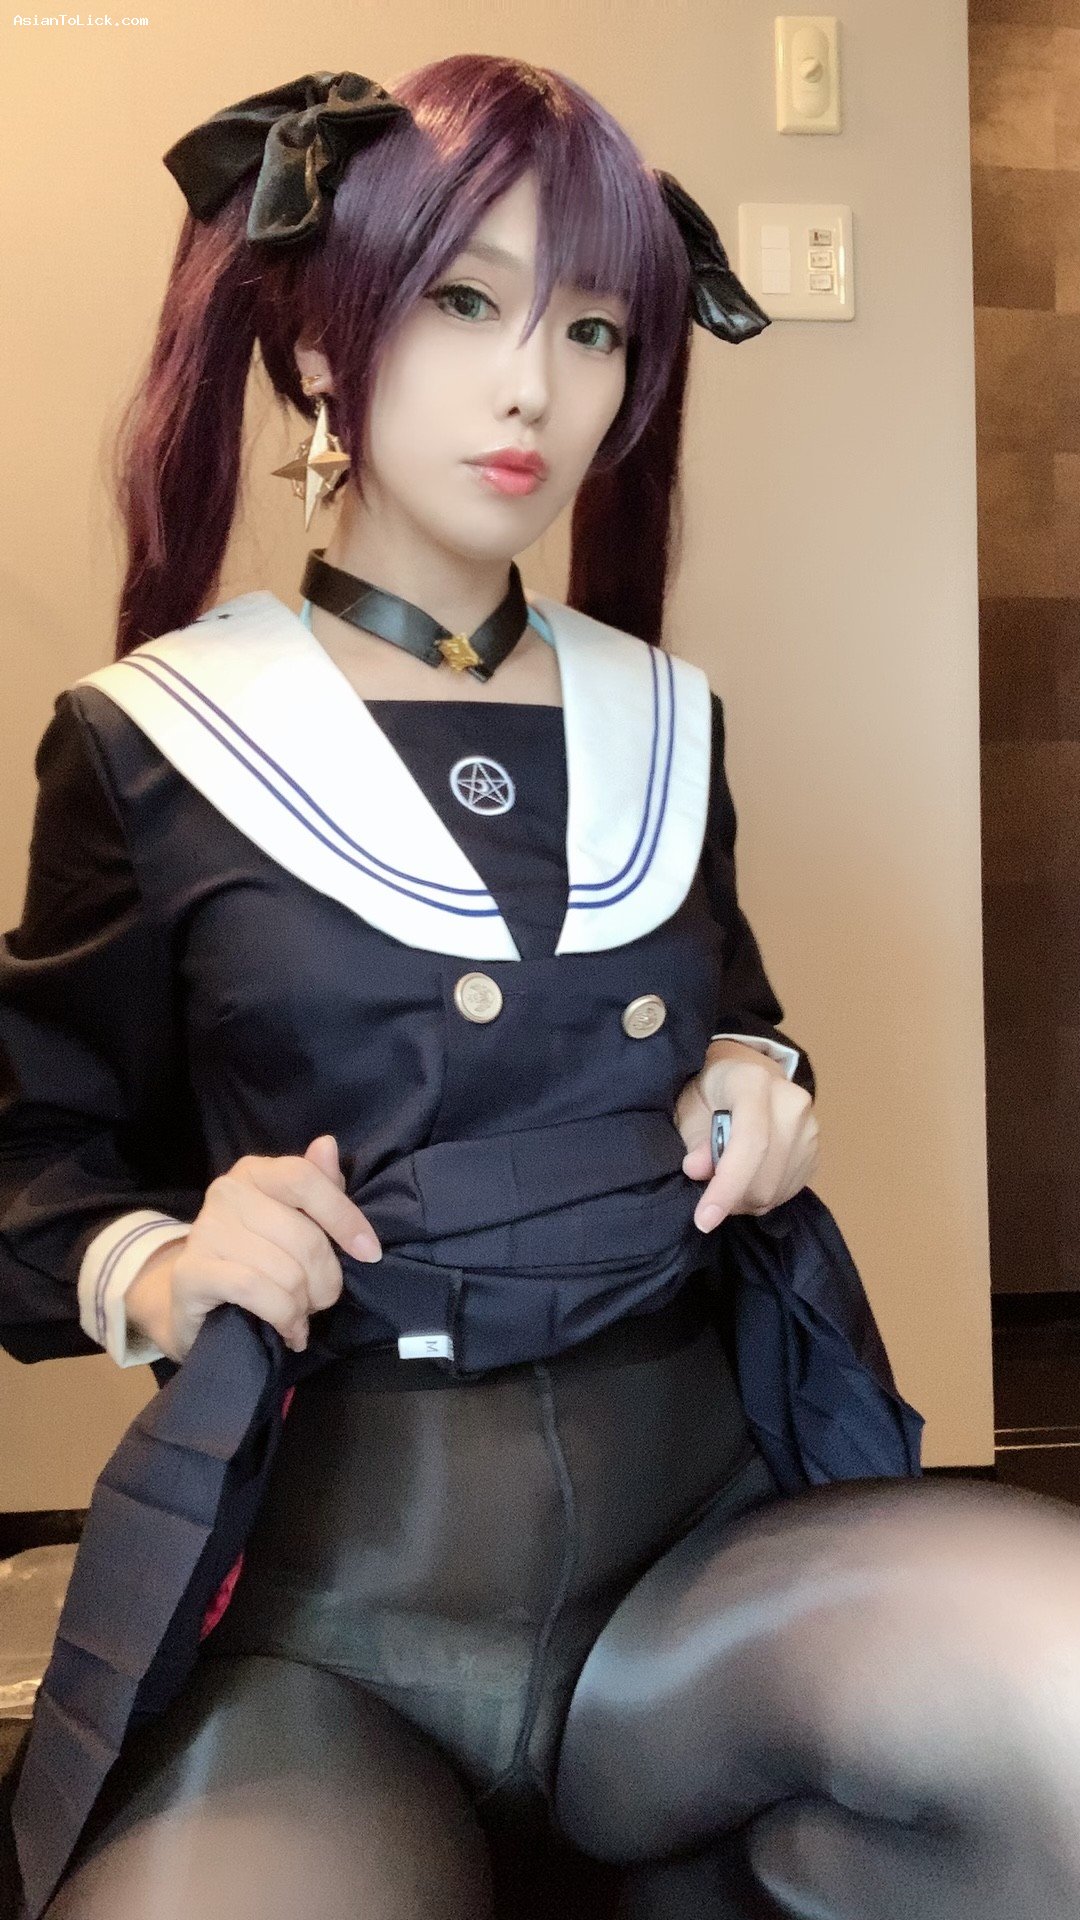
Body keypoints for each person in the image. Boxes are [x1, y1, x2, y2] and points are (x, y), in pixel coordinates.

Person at [4, 53, 1080, 1920]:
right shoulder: (155, 737)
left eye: (591, 330)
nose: (536, 387)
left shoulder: (664, 716)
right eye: (464, 302)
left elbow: (729, 1007)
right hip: (340, 1622)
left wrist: (760, 1074)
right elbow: (33, 1166)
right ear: (321, 343)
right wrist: (165, 1265)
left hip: (697, 1582)